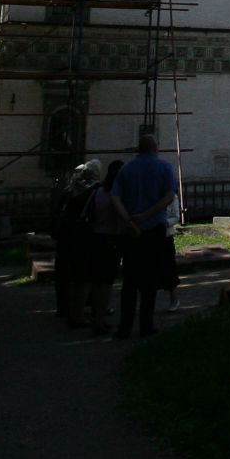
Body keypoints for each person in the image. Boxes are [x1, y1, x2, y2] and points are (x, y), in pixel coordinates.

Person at [111, 133, 179, 339]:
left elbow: (115, 197)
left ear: (138, 149)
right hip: (154, 230)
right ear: (155, 149)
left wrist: (129, 221)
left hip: (131, 232)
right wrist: (147, 215)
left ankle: (124, 327)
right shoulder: (164, 167)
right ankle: (146, 326)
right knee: (150, 281)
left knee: (130, 281)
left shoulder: (127, 168)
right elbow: (169, 196)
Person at [54, 160, 100, 328]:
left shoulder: (68, 189)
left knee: (70, 275)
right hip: (84, 237)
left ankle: (67, 309)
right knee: (83, 276)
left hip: (67, 236)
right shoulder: (93, 191)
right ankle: (79, 313)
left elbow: (57, 211)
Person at [86, 159, 128, 336]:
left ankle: (96, 314)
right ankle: (100, 320)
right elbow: (123, 217)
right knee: (106, 282)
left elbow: (90, 215)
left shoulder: (97, 192)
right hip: (112, 240)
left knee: (97, 280)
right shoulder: (117, 195)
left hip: (96, 238)